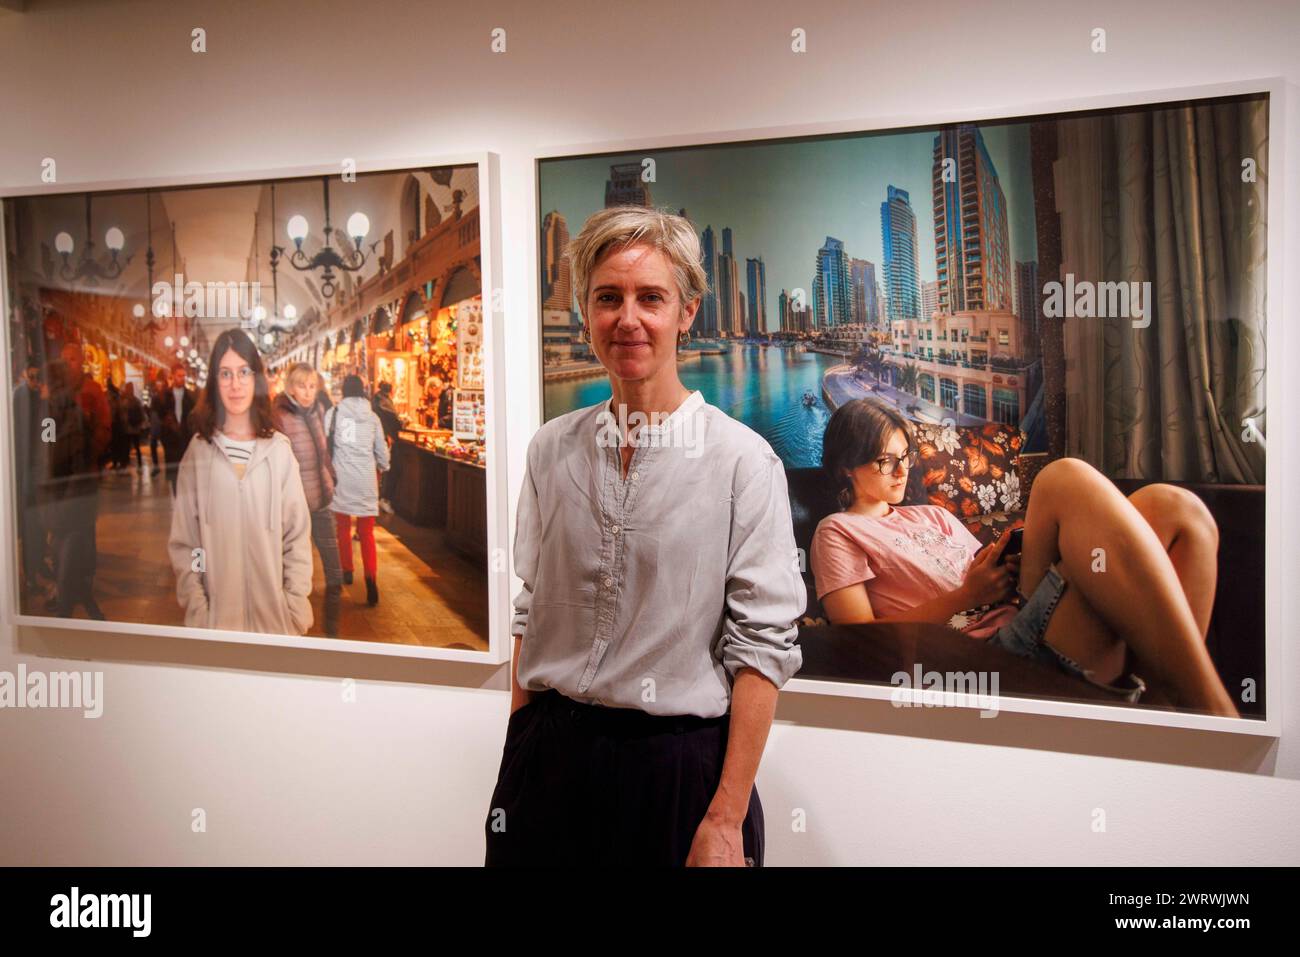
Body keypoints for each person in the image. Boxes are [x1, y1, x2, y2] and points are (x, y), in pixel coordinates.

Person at [484, 207, 805, 867]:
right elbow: (531, 605)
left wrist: (726, 817)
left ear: (687, 312)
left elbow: (763, 648)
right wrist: (519, 743)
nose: (627, 318)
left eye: (650, 297)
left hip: (677, 773)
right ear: (586, 311)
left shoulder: (743, 462)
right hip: (549, 761)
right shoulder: (551, 450)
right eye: (608, 298)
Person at [809, 398, 1238, 718]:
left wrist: (1001, 565)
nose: (903, 472)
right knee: (1061, 478)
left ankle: (1168, 712)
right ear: (848, 466)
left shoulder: (933, 514)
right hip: (987, 657)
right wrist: (964, 597)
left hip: (1021, 611)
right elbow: (857, 638)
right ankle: (1215, 715)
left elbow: (983, 568)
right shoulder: (838, 531)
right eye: (886, 462)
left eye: (905, 458)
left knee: (1176, 508)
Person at [167, 330, 314, 635]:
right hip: (217, 630)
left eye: (244, 372)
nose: (235, 384)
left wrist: (294, 609)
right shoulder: (199, 453)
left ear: (256, 378)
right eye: (225, 374)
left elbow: (296, 538)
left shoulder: (279, 452)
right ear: (214, 381)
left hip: (275, 628)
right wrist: (200, 610)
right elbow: (187, 543)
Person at [273, 363, 343, 638]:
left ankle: (333, 633)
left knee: (335, 575)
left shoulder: (319, 412)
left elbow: (323, 452)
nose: (307, 391)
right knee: (288, 575)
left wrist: (331, 476)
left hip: (321, 503)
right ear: (290, 387)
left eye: (312, 385)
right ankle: (285, 630)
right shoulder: (278, 416)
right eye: (302, 385)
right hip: (292, 509)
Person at [47, 341, 109, 619]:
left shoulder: (92, 391)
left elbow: (104, 428)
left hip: (83, 478)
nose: (67, 364)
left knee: (79, 535)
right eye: (64, 359)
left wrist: (88, 455)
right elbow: (47, 437)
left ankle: (77, 588)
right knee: (63, 538)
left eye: (71, 359)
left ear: (82, 362)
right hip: (60, 481)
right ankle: (70, 588)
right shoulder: (57, 396)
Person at [325, 375, 391, 605]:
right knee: (366, 533)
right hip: (365, 481)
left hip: (342, 479)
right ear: (363, 391)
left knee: (342, 527)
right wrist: (384, 465)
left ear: (343, 390)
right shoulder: (373, 418)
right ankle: (371, 580)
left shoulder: (333, 414)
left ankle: (347, 570)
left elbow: (326, 443)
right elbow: (381, 452)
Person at [160, 363, 198, 495]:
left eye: (183, 376)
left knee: (187, 475)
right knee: (175, 476)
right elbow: (159, 418)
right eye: (179, 376)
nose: (182, 378)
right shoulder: (164, 396)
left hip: (185, 440)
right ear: (173, 376)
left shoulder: (191, 397)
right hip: (171, 441)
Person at [372, 380, 401, 515]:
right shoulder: (384, 401)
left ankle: (379, 498)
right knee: (388, 469)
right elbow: (395, 420)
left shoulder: (376, 399)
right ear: (391, 390)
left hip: (381, 439)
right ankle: (384, 498)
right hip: (386, 439)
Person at [121, 381, 145, 470]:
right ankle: (139, 463)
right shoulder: (136, 400)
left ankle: (125, 464)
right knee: (136, 446)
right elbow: (141, 413)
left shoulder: (125, 401)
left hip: (128, 428)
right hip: (135, 428)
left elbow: (122, 413)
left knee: (127, 447)